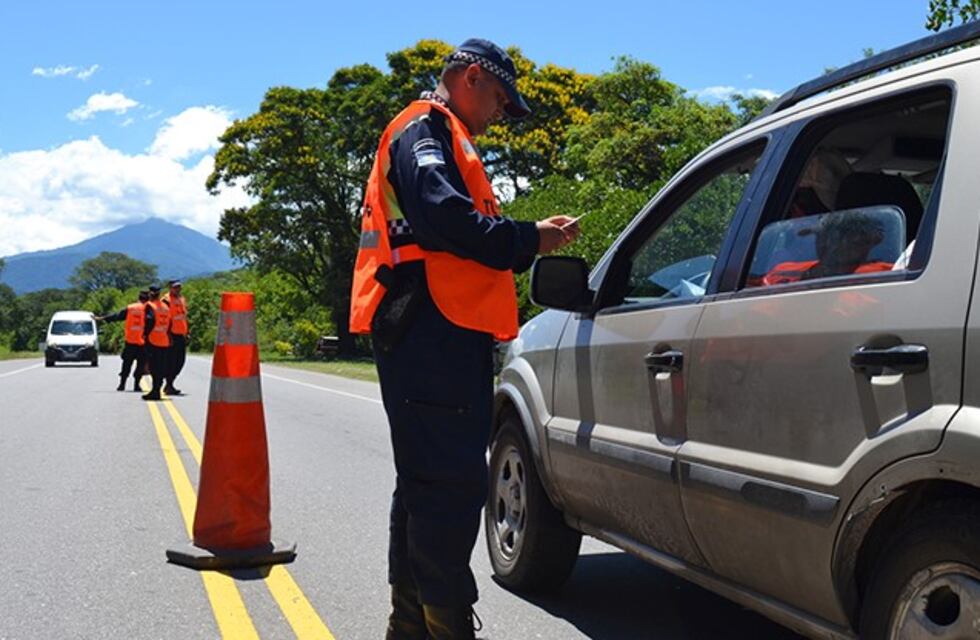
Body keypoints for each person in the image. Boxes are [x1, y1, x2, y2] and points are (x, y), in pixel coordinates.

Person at [349, 38, 579, 640]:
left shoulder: (445, 134)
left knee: (427, 482)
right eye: (501, 99)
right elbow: (445, 219)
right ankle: (444, 625)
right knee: (449, 486)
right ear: (472, 77)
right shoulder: (423, 129)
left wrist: (525, 236)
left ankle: (411, 624)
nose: (501, 113)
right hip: (429, 331)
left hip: (440, 332)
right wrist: (528, 238)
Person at [96, 290, 149, 391]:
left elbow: (117, 316)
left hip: (130, 341)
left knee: (126, 364)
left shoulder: (130, 308)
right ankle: (137, 385)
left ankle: (122, 384)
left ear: (138, 298)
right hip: (142, 342)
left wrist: (103, 318)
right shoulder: (148, 309)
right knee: (140, 364)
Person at [141, 285, 171, 401]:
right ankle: (156, 390)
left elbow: (149, 320)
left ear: (150, 294)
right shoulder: (165, 306)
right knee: (160, 367)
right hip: (163, 340)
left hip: (153, 340)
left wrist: (145, 334)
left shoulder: (150, 306)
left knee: (153, 367)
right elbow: (170, 323)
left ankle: (155, 391)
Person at [162, 279, 188, 395]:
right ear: (170, 287)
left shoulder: (181, 299)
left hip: (181, 334)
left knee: (180, 361)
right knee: (171, 362)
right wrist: (167, 335)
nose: (178, 289)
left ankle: (170, 383)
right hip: (171, 335)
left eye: (179, 287)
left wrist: (187, 332)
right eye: (175, 287)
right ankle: (168, 384)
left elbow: (183, 317)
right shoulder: (166, 300)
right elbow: (164, 319)